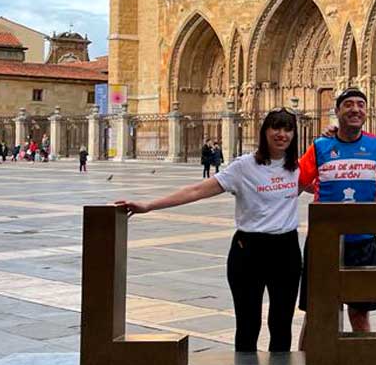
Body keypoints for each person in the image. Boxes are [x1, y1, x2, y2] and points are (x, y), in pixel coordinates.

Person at [115, 110, 305, 351]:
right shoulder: (244, 167)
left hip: (285, 250)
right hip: (249, 250)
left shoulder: (298, 167)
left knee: (281, 324)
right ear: (264, 132)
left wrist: (332, 138)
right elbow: (197, 190)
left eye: (288, 129)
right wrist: (149, 205)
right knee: (248, 325)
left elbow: (332, 179)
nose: (282, 134)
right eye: (276, 128)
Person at [296, 88, 376, 340]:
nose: (355, 109)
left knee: (360, 312)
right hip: (323, 242)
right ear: (336, 111)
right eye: (348, 104)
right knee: (316, 312)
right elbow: (297, 182)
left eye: (361, 104)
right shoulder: (320, 146)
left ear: (367, 112)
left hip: (363, 241)